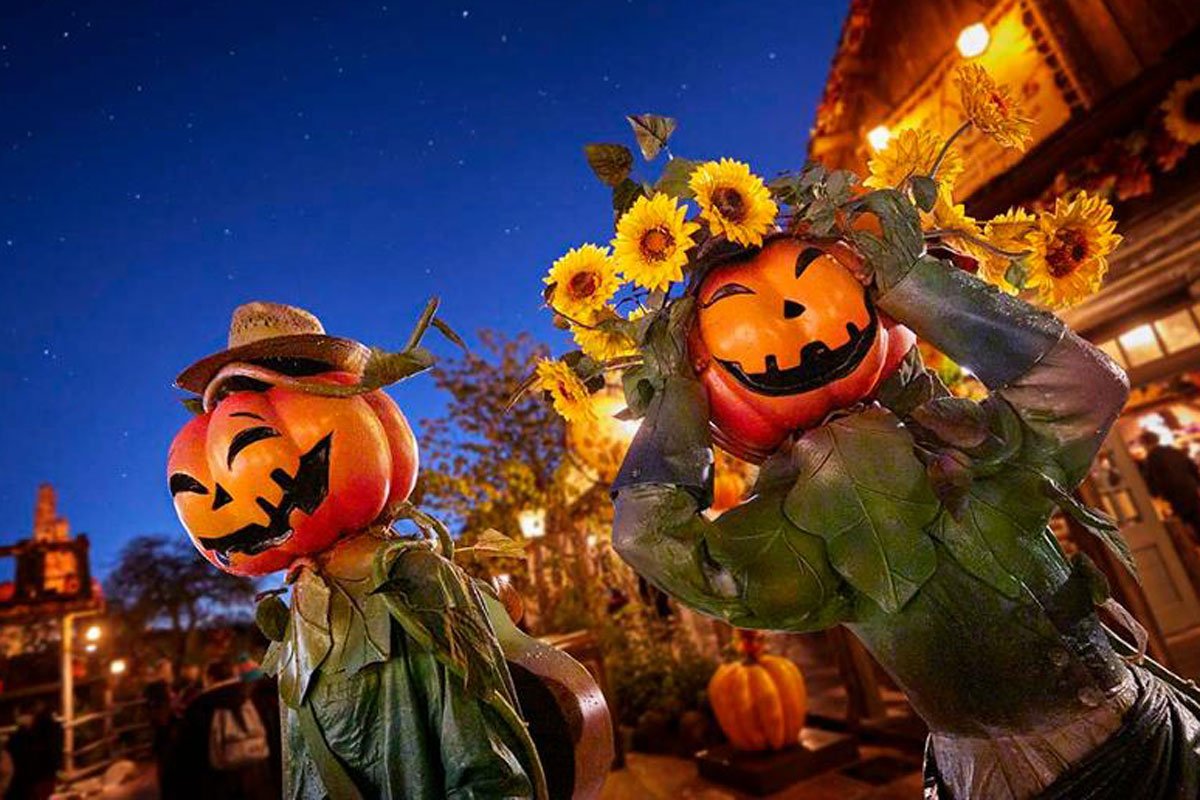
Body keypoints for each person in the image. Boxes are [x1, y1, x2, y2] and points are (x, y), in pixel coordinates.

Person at [170, 659, 273, 800]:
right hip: (255, 781)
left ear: (210, 678)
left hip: (217, 784)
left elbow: (186, 754)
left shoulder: (200, 706)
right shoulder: (250, 699)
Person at [1139, 429, 1200, 536]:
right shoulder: (1173, 451)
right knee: (1197, 514)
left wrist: (1157, 496)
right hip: (1190, 488)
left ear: (1145, 444)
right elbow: (1192, 467)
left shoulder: (1151, 459)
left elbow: (1151, 482)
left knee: (1189, 522)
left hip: (1174, 495)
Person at [3, 701, 63, 800]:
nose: (17, 719)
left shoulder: (28, 735)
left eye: (18, 716)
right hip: (43, 778)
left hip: (32, 781)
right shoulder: (50, 729)